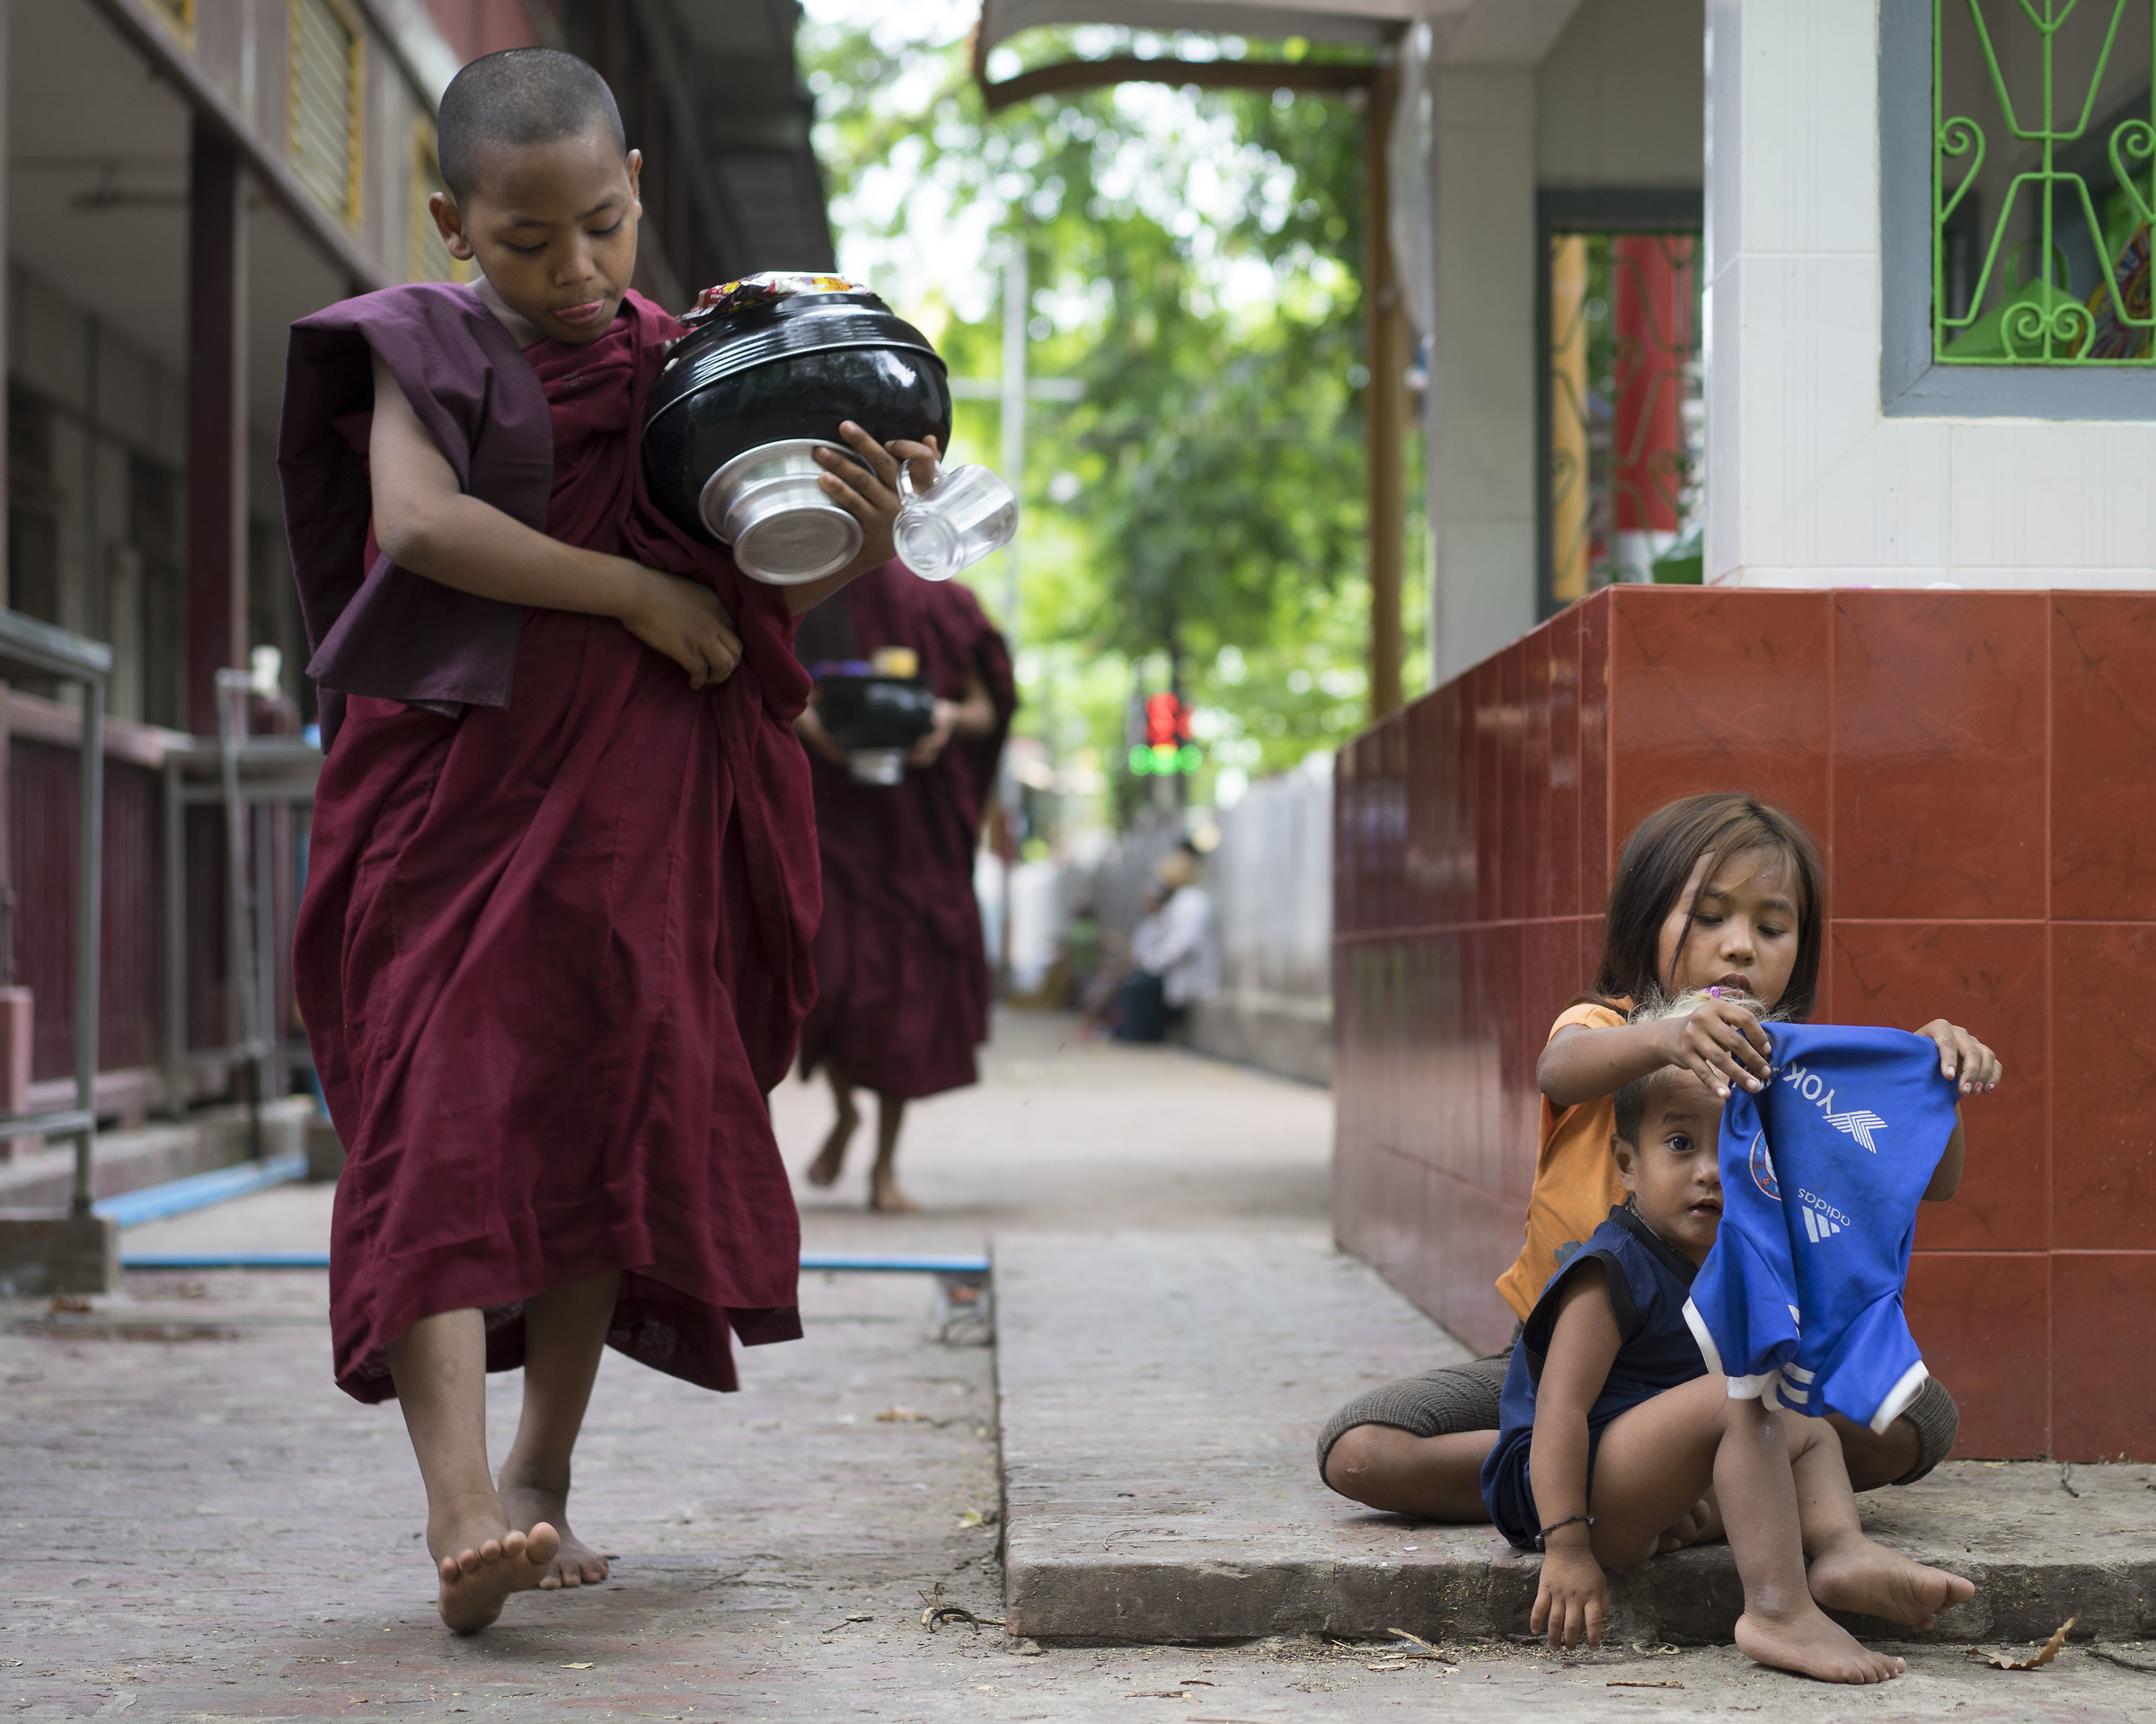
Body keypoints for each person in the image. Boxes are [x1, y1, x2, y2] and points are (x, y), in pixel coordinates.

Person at [279, 48, 939, 1631]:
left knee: (599, 1119)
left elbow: (759, 590)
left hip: (633, 816)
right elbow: (428, 527)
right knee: (436, 1115)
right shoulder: (419, 350)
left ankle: (542, 1476)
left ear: (637, 183)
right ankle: (454, 1512)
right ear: (454, 224)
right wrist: (635, 593)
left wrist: (865, 515)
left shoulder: (691, 367)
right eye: (527, 241)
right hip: (452, 812)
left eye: (599, 226)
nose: (575, 273)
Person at [1319, 792, 2001, 1518]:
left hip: (1740, 1359)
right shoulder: (1613, 1031)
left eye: (1772, 925)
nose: (1740, 945)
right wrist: (1668, 1037)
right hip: (1577, 1371)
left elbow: (1939, 1181)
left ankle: (1683, 1490)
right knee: (1362, 1448)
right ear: (1646, 920)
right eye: (1709, 916)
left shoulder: (1801, 1079)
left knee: (1921, 1416)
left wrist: (1931, 1084)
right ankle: (1645, 1486)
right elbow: (1561, 1066)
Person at [1489, 1005, 1975, 1682]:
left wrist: (1930, 1079)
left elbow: (1922, 1179)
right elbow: (1560, 1412)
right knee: (1742, 1391)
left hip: (1648, 1483)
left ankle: (1839, 1547)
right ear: (1626, 1162)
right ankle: (1777, 1607)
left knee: (1800, 1414)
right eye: (1681, 1144)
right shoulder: (1609, 1273)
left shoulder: (1744, 1259)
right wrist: (1568, 1547)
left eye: (1733, 1146)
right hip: (1581, 1494)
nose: (1712, 1171)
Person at [791, 566, 1013, 1213]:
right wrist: (814, 726)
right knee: (825, 978)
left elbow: (986, 706)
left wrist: (942, 716)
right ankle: (842, 1111)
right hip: (833, 819)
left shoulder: (945, 601)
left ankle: (885, 1169)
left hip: (916, 833)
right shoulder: (812, 579)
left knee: (905, 996)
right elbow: (772, 679)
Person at [1112, 842, 1216, 1042]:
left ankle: (1143, 1036)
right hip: (1170, 971)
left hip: (1186, 976)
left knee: (1139, 986)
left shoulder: (1192, 900)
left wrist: (1152, 962)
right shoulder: (1178, 902)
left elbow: (1184, 945)